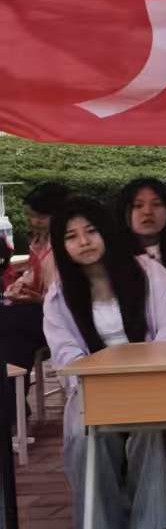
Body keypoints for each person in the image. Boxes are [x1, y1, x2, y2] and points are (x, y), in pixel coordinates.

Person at [42, 198, 166, 529]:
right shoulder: (59, 295)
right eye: (71, 236)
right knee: (83, 435)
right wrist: (93, 381)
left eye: (91, 231)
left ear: (107, 231)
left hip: (150, 380)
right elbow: (65, 353)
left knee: (146, 423)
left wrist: (143, 374)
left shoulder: (148, 273)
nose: (84, 242)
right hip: (94, 387)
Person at [1, 181, 70, 436]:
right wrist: (19, 288)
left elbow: (66, 298)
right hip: (35, 315)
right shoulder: (41, 243)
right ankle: (12, 407)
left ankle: (10, 409)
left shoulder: (69, 244)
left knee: (10, 324)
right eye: (30, 215)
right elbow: (33, 278)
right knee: (11, 338)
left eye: (39, 216)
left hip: (61, 318)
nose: (33, 221)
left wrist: (35, 299)